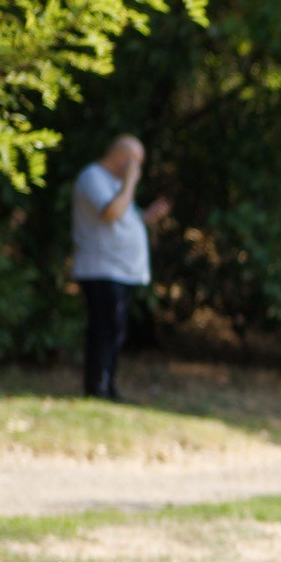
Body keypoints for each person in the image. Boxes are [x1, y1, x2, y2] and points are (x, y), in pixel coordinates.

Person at [71, 135, 170, 401]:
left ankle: (108, 385)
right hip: (102, 269)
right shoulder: (93, 177)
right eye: (136, 163)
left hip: (121, 271)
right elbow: (110, 213)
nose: (137, 170)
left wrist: (146, 217)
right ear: (123, 158)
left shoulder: (114, 184)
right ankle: (97, 387)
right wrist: (129, 182)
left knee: (116, 330)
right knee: (103, 330)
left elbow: (123, 217)